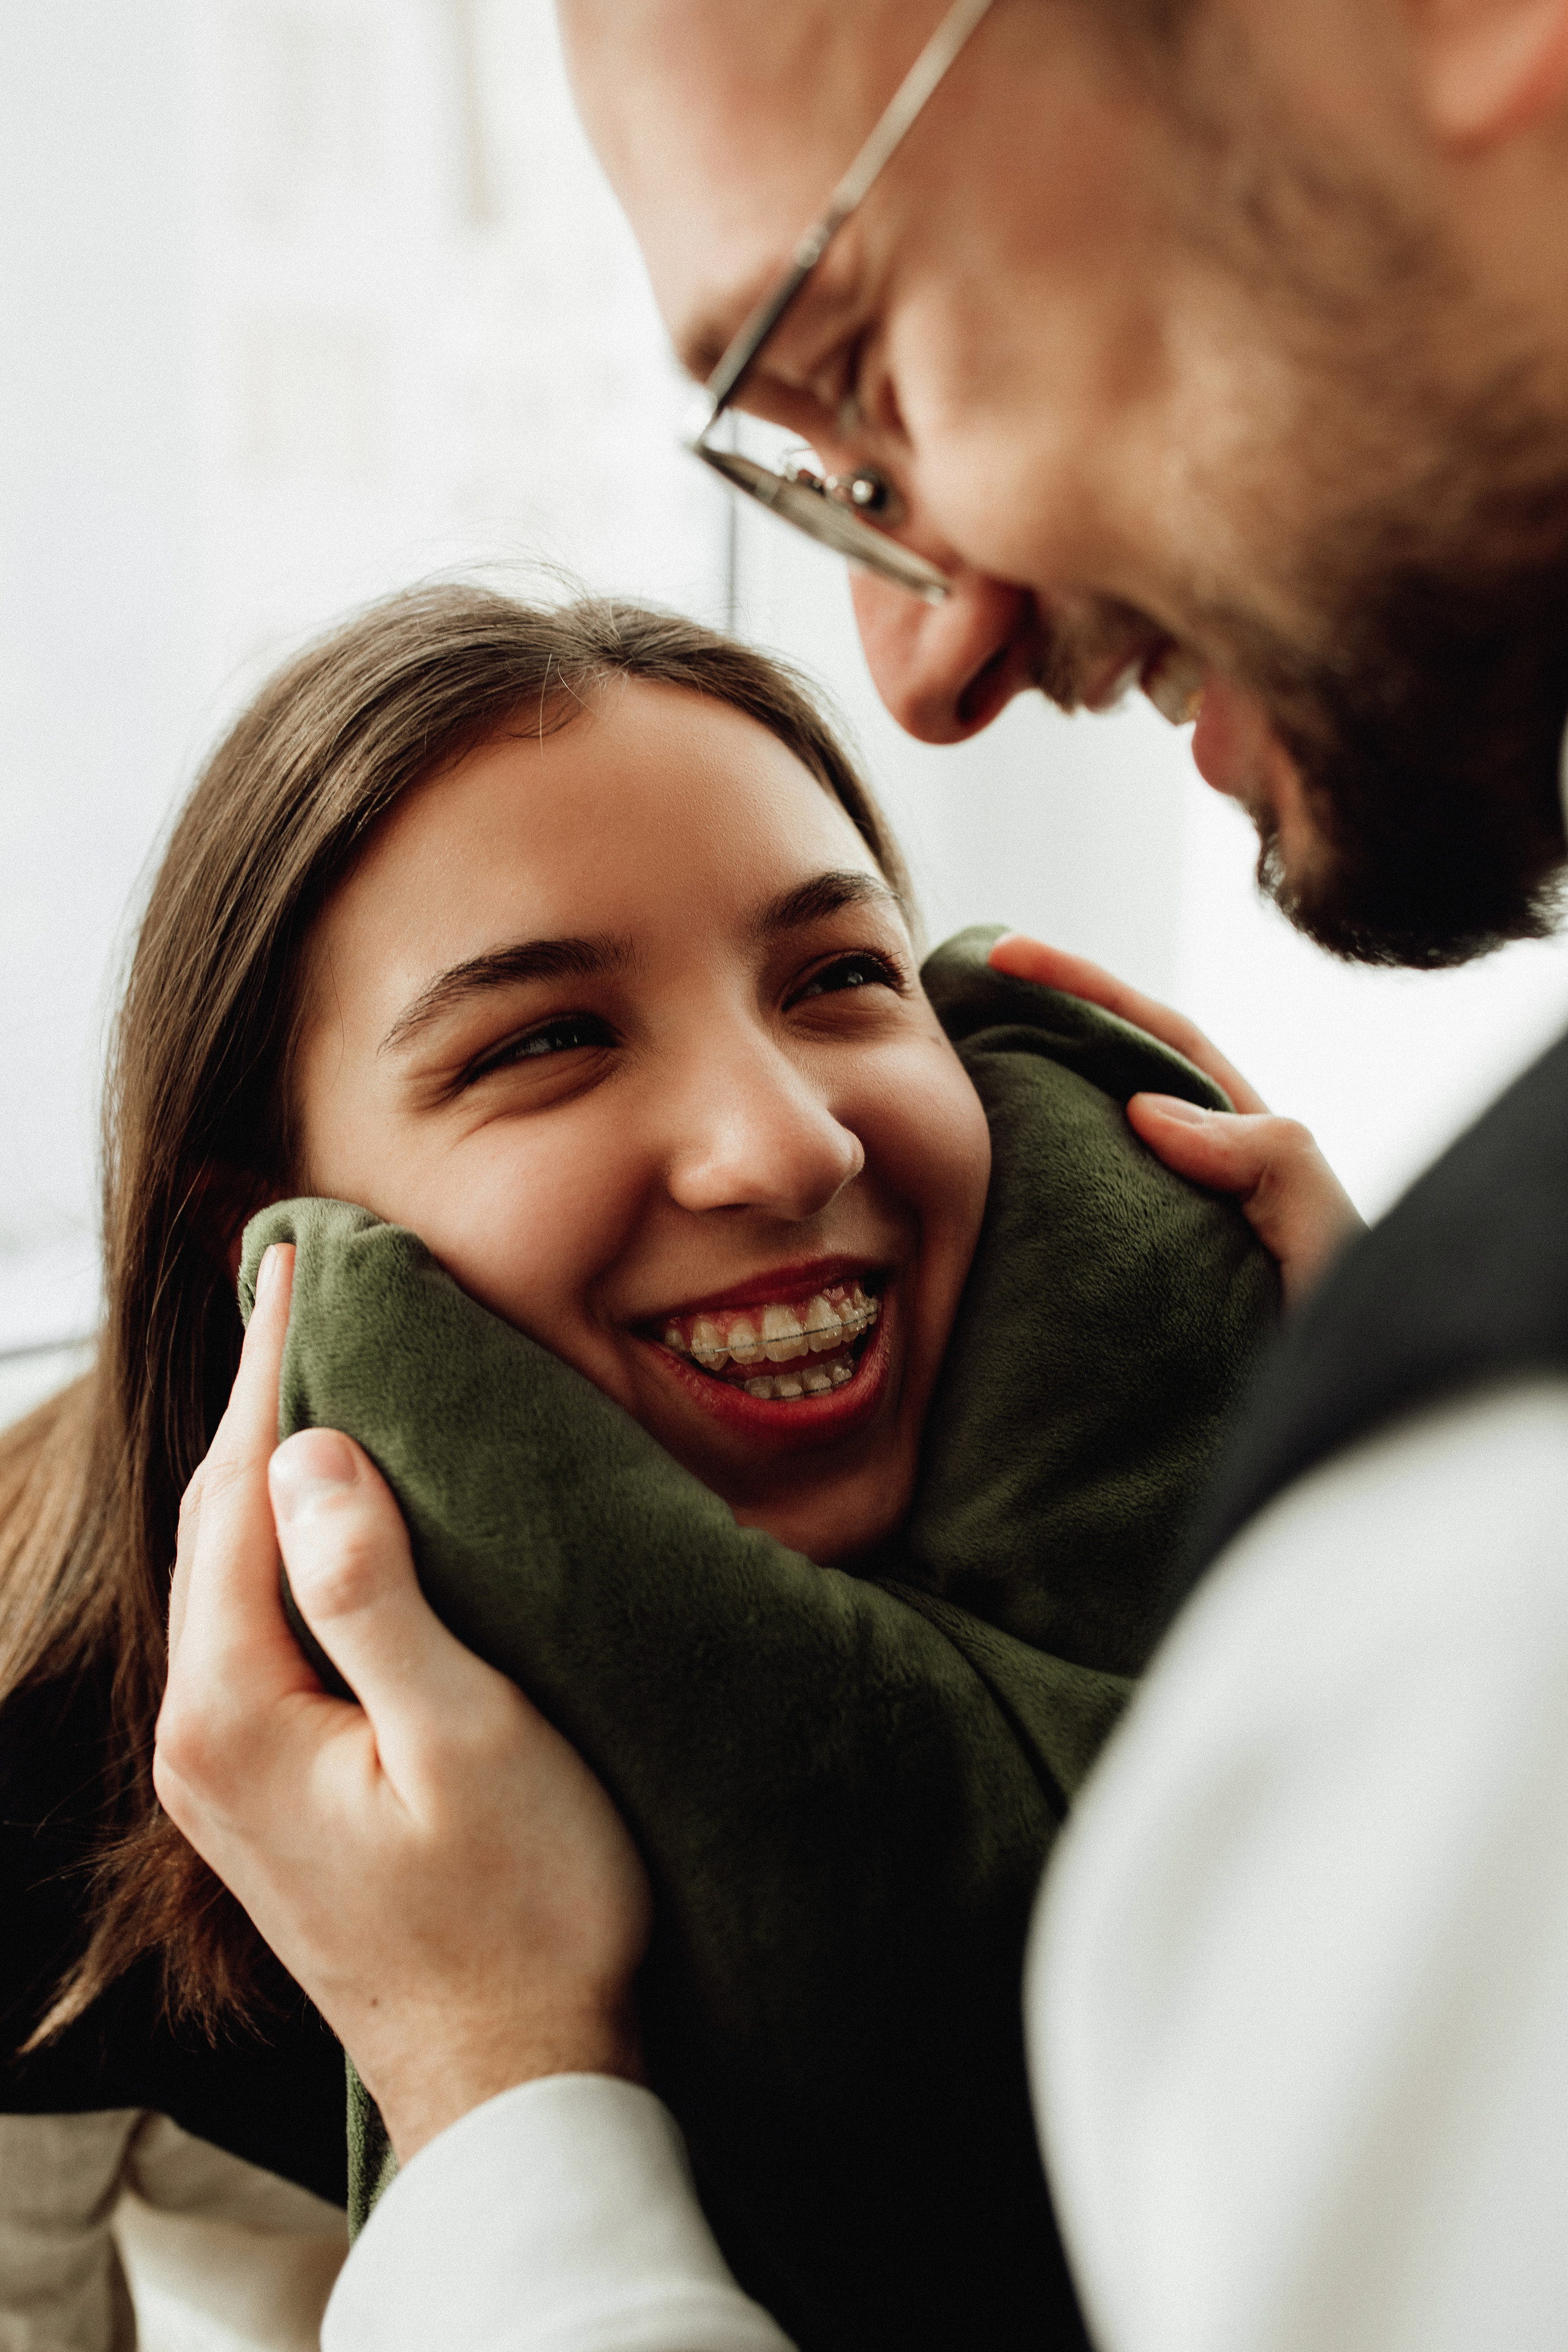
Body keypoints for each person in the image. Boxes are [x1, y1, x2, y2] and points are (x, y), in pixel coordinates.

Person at [153, 0, 1568, 2345]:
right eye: (539, 1040)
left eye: (868, 351)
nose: (922, 659)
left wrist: (498, 2091)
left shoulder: (1459, 1571)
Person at [0, 578, 1286, 2349]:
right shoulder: (47, 1746)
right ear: (269, 1242)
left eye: (840, 977)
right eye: (545, 1040)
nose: (785, 1141)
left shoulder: (1230, 1538)